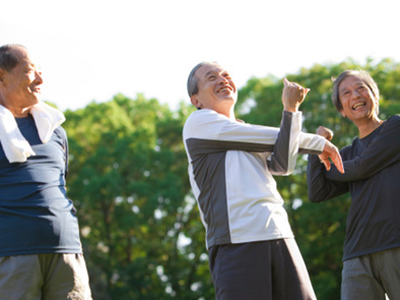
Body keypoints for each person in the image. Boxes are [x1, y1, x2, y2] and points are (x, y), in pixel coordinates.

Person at [183, 61, 344, 300]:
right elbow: (270, 138)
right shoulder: (198, 124)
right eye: (211, 77)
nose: (222, 80)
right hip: (237, 242)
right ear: (196, 100)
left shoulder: (247, 131)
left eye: (226, 75)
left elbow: (283, 164)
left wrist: (292, 114)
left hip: (280, 233)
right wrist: (316, 142)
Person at [0, 44, 92, 299]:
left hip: (67, 252)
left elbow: (60, 183)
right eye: (30, 71)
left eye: (41, 71)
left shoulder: (55, 131)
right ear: (1, 76)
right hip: (11, 254)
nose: (40, 79)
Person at [307, 70, 400, 300]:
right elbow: (317, 191)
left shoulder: (395, 127)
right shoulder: (346, 154)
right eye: (346, 93)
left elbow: (361, 167)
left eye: (361, 88)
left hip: (396, 243)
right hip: (357, 253)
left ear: (374, 96)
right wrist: (316, 147)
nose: (355, 95)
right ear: (342, 110)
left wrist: (327, 162)